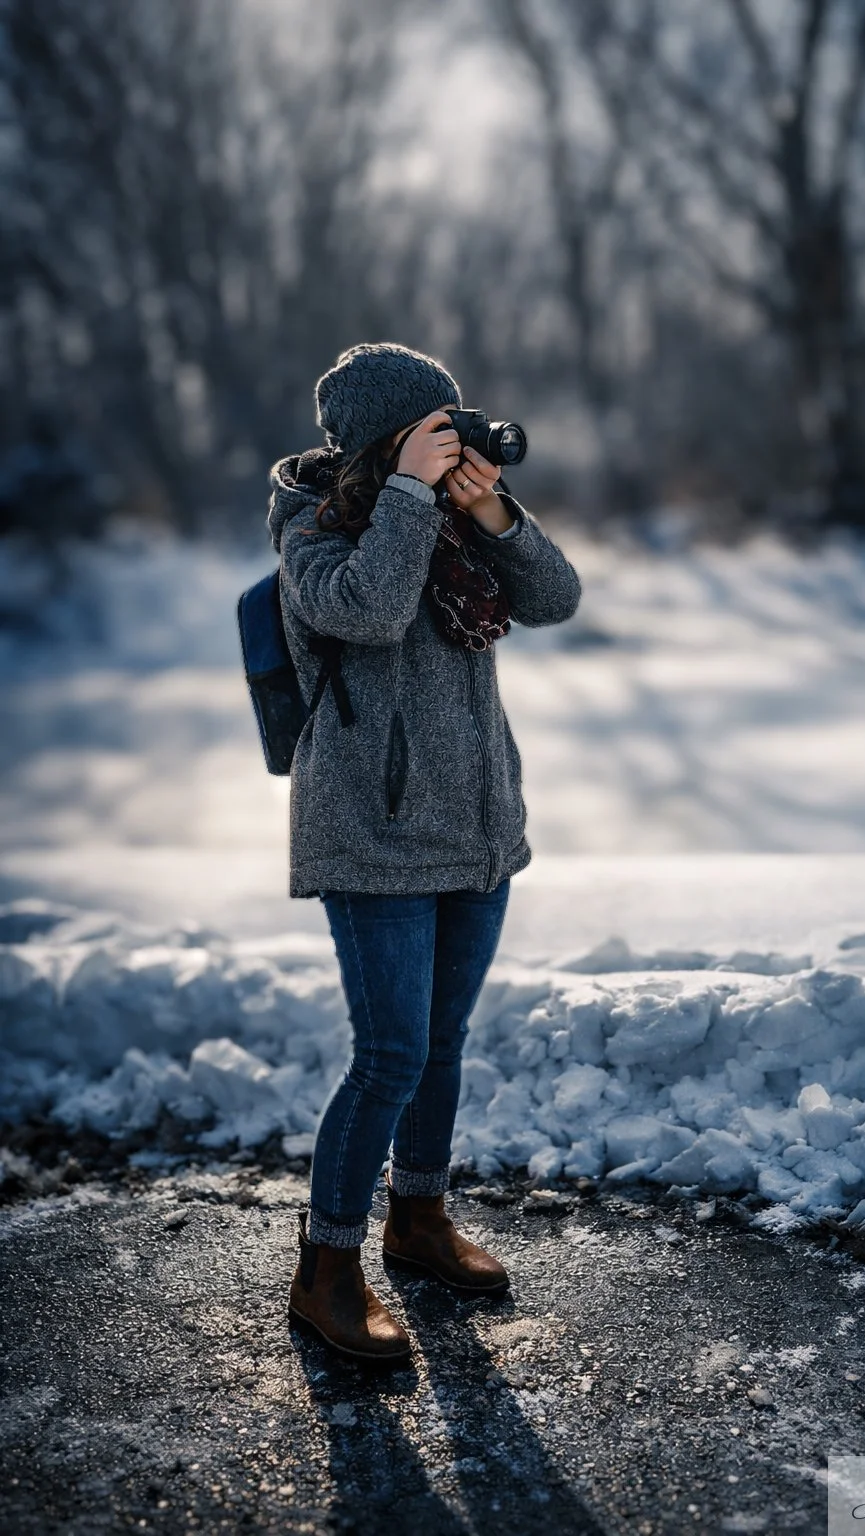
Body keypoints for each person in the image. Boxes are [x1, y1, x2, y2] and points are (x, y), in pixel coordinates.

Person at [266, 342, 582, 1364]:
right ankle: (326, 1269)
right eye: (433, 428)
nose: (456, 441)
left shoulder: (452, 518)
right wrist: (408, 492)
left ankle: (419, 1219)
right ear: (385, 442)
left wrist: (490, 511)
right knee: (391, 1053)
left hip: (475, 822)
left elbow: (556, 598)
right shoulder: (309, 536)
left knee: (441, 1045)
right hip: (372, 831)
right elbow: (370, 608)